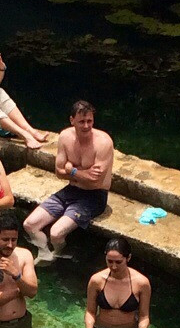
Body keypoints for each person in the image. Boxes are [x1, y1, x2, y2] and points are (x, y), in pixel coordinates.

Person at [24, 101, 113, 259]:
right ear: (72, 120)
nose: (86, 126)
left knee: (56, 233)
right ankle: (44, 253)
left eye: (89, 121)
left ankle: (58, 254)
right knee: (29, 225)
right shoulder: (65, 136)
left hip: (94, 196)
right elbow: (58, 172)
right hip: (71, 191)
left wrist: (71, 169)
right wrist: (81, 173)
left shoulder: (103, 142)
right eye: (81, 121)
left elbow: (95, 181)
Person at [83, 239, 151, 328]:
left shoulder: (141, 283)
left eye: (118, 262)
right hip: (102, 327)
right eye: (109, 261)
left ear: (128, 258)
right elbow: (90, 311)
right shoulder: (97, 280)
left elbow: (144, 315)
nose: (113, 266)